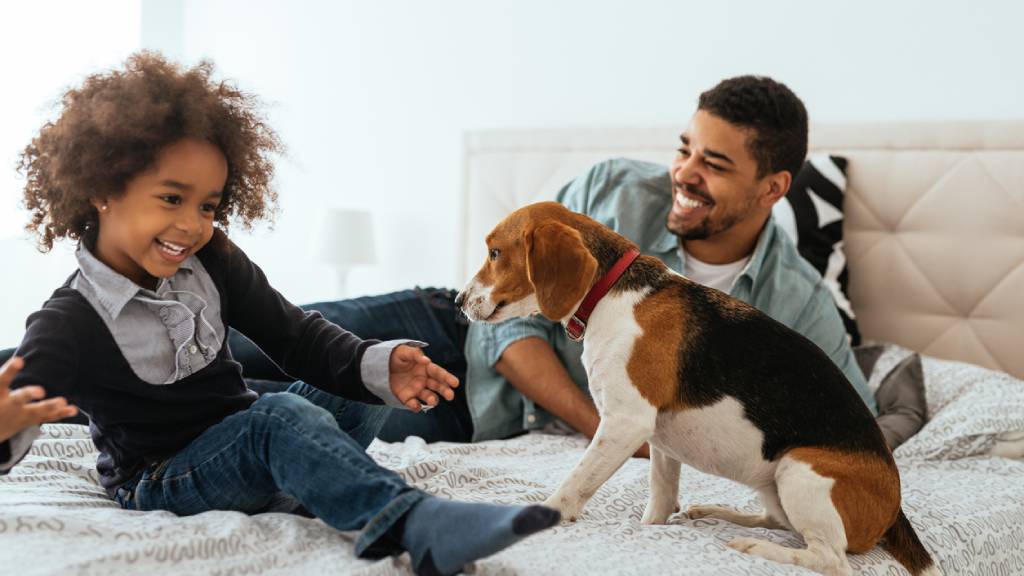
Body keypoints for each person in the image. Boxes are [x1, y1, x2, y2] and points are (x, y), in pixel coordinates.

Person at [0, 52, 558, 576]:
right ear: (102, 189)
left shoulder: (213, 260)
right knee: (278, 418)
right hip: (161, 476)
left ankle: (305, 479)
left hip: (238, 442)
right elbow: (24, 400)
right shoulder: (69, 319)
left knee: (348, 384)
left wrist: (376, 364)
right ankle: (414, 523)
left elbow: (294, 336)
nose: (193, 225)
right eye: (171, 199)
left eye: (208, 206)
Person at [230, 76, 888, 453]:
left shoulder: (795, 302)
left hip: (476, 411)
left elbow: (852, 425)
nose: (684, 174)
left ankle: (147, 414)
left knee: (276, 414)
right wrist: (609, 431)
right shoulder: (612, 191)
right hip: (453, 319)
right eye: (686, 148)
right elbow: (506, 325)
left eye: (713, 166)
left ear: (773, 188)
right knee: (253, 336)